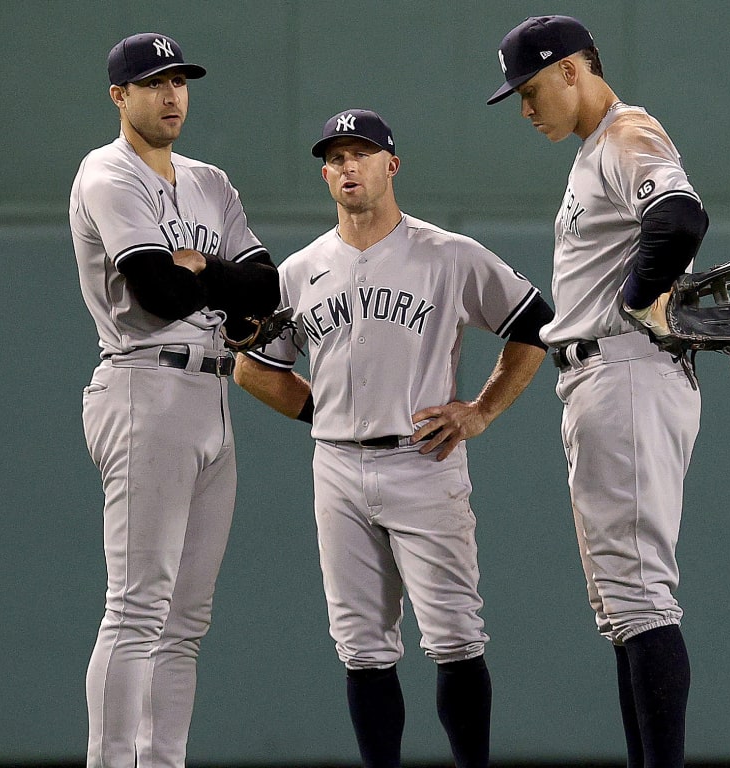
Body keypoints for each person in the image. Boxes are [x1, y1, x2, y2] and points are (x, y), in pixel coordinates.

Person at [235, 109, 554, 768]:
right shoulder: (299, 270)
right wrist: (322, 418)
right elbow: (253, 370)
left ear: (391, 165)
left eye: (362, 153)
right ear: (326, 174)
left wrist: (482, 410)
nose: (348, 166)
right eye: (336, 157)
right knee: (361, 646)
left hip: (423, 459)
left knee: (456, 638)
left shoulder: (447, 255)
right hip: (339, 470)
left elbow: (534, 326)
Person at [485, 15, 711, 768]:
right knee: (621, 608)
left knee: (642, 596)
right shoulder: (592, 152)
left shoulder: (626, 132)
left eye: (531, 88)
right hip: (599, 378)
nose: (524, 107)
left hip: (626, 372)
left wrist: (642, 296)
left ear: (575, 69)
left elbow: (679, 218)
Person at [68, 31, 278, 768]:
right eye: (154, 82)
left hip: (213, 392)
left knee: (185, 621)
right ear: (119, 96)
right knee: (136, 610)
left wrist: (202, 267)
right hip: (142, 384)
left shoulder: (209, 181)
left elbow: (265, 288)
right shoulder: (107, 174)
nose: (171, 94)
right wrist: (210, 277)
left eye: (179, 80)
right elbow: (156, 296)